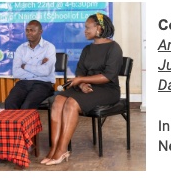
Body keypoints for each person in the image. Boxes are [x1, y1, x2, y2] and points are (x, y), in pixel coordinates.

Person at [43, 13, 123, 166]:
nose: (85, 30)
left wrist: (82, 80)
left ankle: (61, 150)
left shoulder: (114, 48)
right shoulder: (88, 49)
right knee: (58, 100)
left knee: (72, 103)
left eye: (87, 27)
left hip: (107, 89)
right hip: (87, 86)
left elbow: (108, 76)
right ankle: (53, 148)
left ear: (99, 28)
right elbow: (80, 72)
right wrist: (81, 84)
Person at [4, 20, 56, 110]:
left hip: (43, 84)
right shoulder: (21, 49)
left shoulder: (49, 47)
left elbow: (46, 71)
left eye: (32, 30)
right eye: (27, 30)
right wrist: (38, 68)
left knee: (27, 106)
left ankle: (29, 124)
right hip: (23, 83)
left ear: (40, 32)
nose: (29, 33)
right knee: (9, 103)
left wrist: (25, 66)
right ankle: (16, 125)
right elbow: (16, 72)